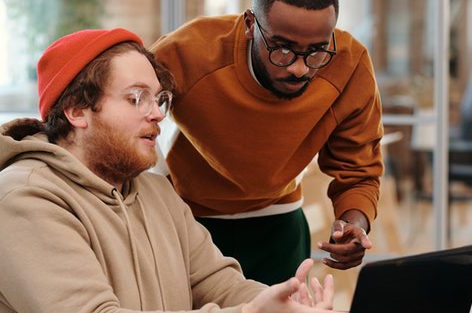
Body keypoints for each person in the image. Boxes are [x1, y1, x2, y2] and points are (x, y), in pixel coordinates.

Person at [0, 28, 336, 313]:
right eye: (135, 98)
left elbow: (218, 284)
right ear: (77, 111)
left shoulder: (158, 192)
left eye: (159, 99)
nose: (157, 114)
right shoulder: (22, 200)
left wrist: (285, 306)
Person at [151, 0, 384, 285]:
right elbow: (124, 118)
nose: (299, 68)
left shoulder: (350, 64)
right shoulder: (186, 52)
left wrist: (354, 224)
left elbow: (359, 171)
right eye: (282, 49)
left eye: (316, 51)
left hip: (278, 225)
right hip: (186, 221)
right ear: (251, 25)